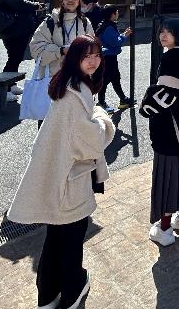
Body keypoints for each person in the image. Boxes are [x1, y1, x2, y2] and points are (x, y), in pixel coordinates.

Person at [8, 35, 114, 309]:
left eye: (96, 55)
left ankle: (47, 295)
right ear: (74, 59)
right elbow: (89, 142)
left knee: (56, 239)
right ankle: (72, 290)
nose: (93, 61)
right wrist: (103, 118)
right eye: (86, 56)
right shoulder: (74, 95)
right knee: (71, 239)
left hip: (59, 173)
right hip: (69, 180)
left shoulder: (69, 86)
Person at [141, 19, 179, 246]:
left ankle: (164, 229)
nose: (163, 35)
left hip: (166, 130)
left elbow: (158, 99)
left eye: (169, 32)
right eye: (161, 32)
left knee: (166, 179)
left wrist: (145, 107)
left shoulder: (169, 58)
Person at [0, 0, 44, 102]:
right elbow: (18, 4)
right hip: (13, 31)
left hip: (22, 29)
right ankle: (3, 90)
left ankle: (11, 84)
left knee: (16, 58)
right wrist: (36, 6)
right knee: (14, 58)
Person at [30, 0, 95, 77]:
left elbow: (92, 47)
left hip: (78, 75)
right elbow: (35, 48)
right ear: (62, 1)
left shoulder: (84, 22)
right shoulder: (51, 21)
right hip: (52, 77)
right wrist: (60, 51)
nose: (70, 0)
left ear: (79, 2)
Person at [95, 5, 135, 112]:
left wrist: (122, 35)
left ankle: (123, 99)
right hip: (107, 58)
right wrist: (125, 35)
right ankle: (101, 102)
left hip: (110, 57)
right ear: (112, 14)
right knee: (106, 79)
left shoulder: (107, 24)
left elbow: (113, 39)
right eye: (116, 12)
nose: (118, 14)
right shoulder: (108, 27)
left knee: (115, 78)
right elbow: (115, 42)